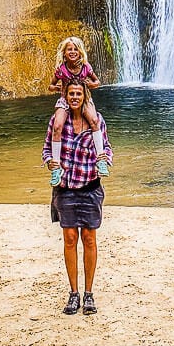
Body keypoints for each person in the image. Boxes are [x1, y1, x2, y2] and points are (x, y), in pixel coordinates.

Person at [42, 79, 113, 315]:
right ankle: (73, 293)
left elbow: (107, 148)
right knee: (70, 239)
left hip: (90, 186)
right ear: (66, 96)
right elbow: (46, 149)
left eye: (78, 94)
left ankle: (89, 293)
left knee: (90, 239)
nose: (74, 97)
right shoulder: (57, 121)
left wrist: (104, 161)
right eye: (71, 94)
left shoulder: (97, 120)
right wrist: (49, 161)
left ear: (84, 97)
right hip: (66, 188)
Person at [47, 36, 109, 186]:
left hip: (84, 99)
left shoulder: (86, 67)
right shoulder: (61, 69)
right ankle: (56, 167)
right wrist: (56, 88)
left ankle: (101, 160)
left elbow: (97, 82)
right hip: (65, 99)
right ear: (64, 52)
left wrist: (91, 84)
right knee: (57, 126)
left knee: (94, 121)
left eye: (75, 49)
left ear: (80, 52)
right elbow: (51, 85)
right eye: (69, 49)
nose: (73, 52)